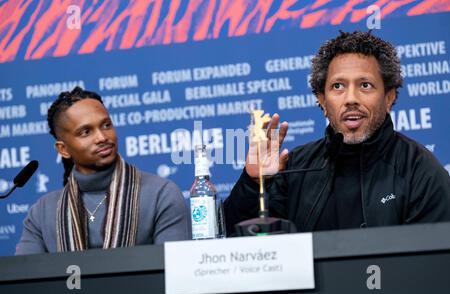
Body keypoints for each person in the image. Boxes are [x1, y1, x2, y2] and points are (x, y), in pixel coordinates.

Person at [224, 31, 450, 235]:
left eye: (365, 85)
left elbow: (431, 268)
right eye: (338, 86)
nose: (351, 98)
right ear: (322, 100)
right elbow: (244, 248)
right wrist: (254, 184)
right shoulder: (294, 168)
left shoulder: (421, 171)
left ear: (389, 97)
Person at [16, 87, 190, 255]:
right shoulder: (42, 212)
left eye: (106, 125)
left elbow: (176, 273)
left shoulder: (160, 195)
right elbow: (25, 279)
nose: (102, 137)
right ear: (63, 150)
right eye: (86, 132)